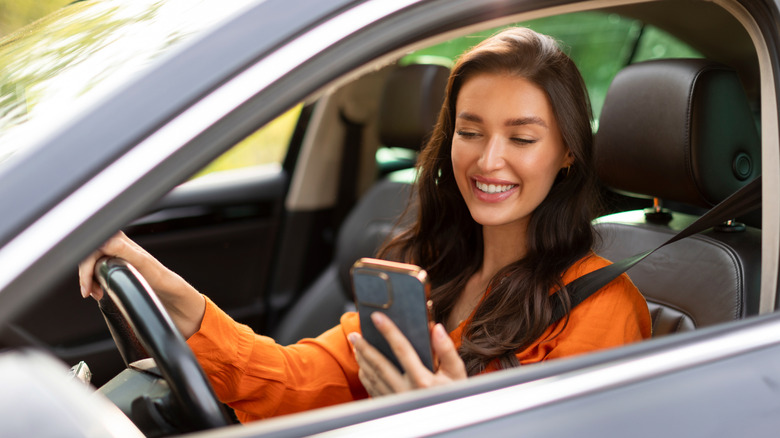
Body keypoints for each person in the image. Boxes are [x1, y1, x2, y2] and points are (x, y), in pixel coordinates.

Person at [79, 27, 651, 421]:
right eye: (470, 131)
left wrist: (456, 419)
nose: (488, 160)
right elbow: (296, 377)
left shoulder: (602, 308)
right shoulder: (425, 272)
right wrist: (161, 284)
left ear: (568, 153)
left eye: (522, 138)